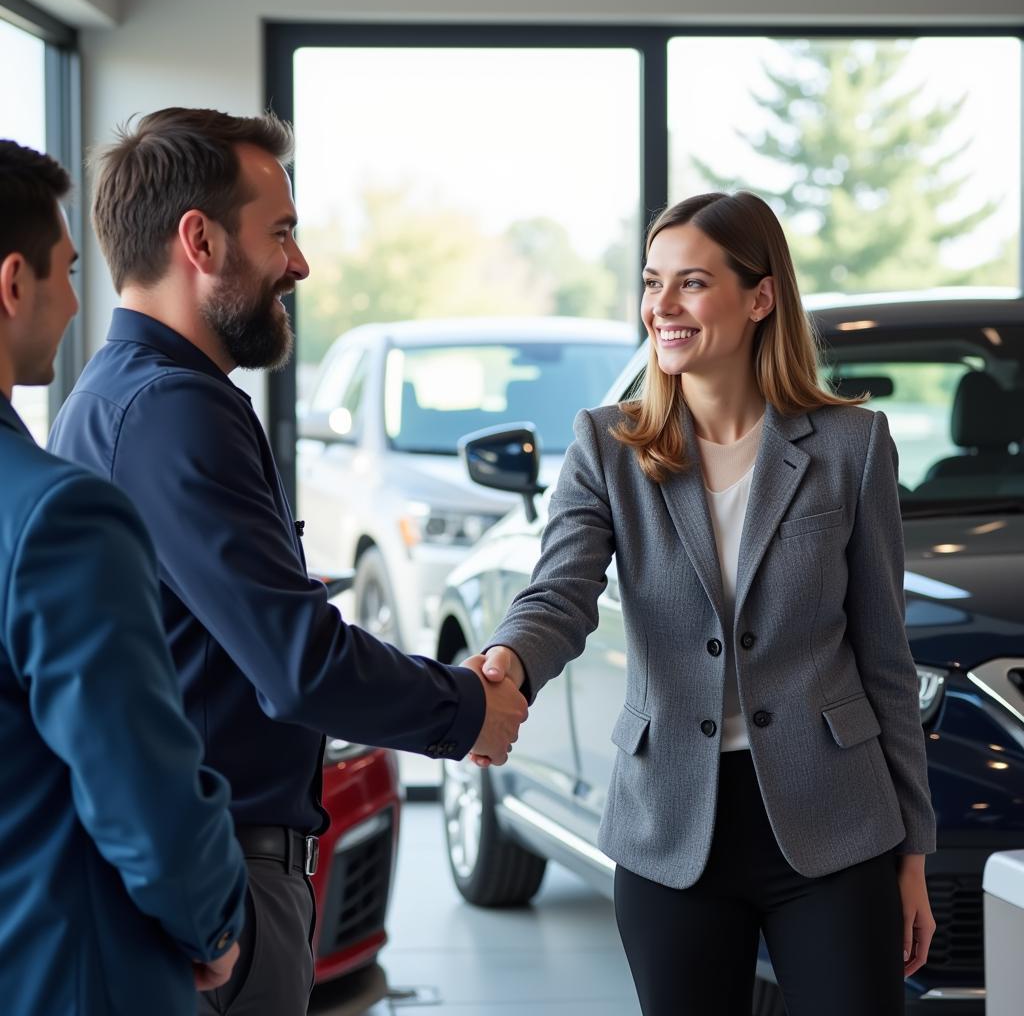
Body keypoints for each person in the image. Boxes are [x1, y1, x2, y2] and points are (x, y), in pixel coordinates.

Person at [48, 108, 527, 1016]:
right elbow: (297, 664)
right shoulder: (174, 412)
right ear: (200, 239)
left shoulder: (115, 399)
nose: (299, 266)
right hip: (225, 880)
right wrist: (466, 709)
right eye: (282, 234)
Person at [475, 191, 937, 1016]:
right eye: (654, 283)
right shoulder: (607, 447)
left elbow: (884, 657)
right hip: (670, 827)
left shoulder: (849, 447)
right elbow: (561, 592)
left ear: (760, 298)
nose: (663, 306)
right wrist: (512, 657)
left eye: (691, 283)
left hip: (835, 820)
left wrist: (912, 854)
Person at [0, 140, 248, 1015]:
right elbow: (141, 787)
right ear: (12, 284)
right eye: (67, 271)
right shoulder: (56, 515)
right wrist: (217, 926)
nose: (76, 302)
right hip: (68, 974)